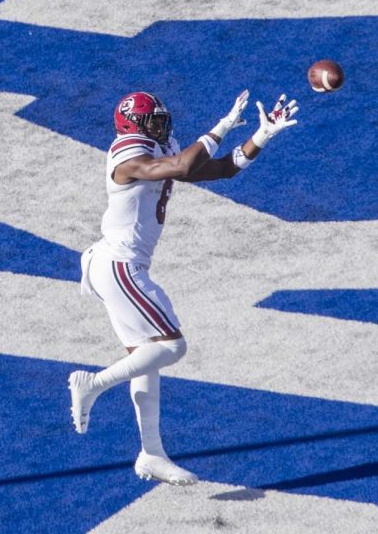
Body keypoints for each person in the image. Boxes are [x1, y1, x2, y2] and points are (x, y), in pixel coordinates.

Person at [68, 89, 298, 485]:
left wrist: (261, 136)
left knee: (148, 359)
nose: (162, 125)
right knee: (172, 346)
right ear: (133, 126)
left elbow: (222, 169)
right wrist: (224, 125)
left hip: (122, 264)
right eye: (152, 121)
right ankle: (93, 384)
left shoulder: (159, 147)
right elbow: (179, 165)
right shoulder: (126, 153)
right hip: (119, 264)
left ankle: (151, 453)